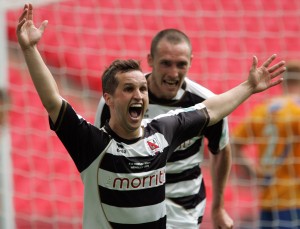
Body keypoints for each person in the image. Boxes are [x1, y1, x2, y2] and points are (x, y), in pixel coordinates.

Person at [16, 3, 285, 229]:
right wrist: (30, 50)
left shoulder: (163, 132)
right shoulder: (92, 144)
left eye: (142, 89)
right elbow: (52, 101)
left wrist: (249, 86)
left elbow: (212, 110)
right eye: (128, 89)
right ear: (108, 99)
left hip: (184, 210)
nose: (139, 95)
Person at [95, 28, 233, 229]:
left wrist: (218, 207)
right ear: (150, 60)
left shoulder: (206, 103)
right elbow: (100, 154)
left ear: (191, 62)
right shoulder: (117, 99)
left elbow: (221, 150)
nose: (173, 73)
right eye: (166, 63)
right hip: (133, 199)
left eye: (181, 64)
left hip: (182, 205)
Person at [231, 61, 300, 229]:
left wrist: (254, 173)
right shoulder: (297, 110)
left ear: (283, 81)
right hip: (295, 201)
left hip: (268, 200)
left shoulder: (264, 109)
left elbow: (233, 144)